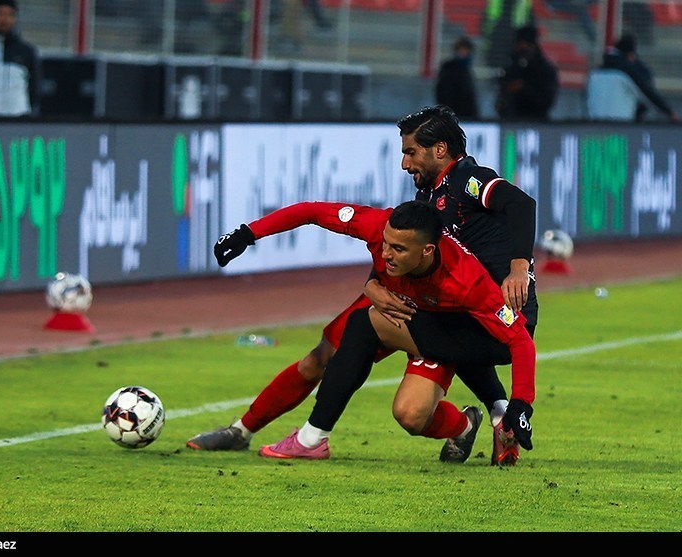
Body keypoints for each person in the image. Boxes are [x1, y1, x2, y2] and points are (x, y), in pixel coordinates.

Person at [188, 105, 539, 466]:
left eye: (410, 152)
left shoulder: (467, 180)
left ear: (440, 149)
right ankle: (242, 431)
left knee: (406, 388)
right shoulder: (422, 201)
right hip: (424, 299)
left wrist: (518, 266)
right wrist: (372, 284)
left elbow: (521, 204)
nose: (404, 164)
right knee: (321, 357)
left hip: (474, 308)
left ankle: (496, 415)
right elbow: (381, 243)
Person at [215, 200, 536, 461]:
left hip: (441, 330)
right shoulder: (375, 224)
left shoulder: (467, 281)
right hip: (401, 311)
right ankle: (464, 426)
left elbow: (520, 340)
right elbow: (311, 212)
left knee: (409, 414)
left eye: (398, 249)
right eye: (385, 243)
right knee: (325, 353)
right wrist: (249, 233)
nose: (385, 254)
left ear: (427, 251)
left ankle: (310, 439)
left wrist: (521, 404)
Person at [587, 33, 679, 122]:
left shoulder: (594, 74)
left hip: (594, 126)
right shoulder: (627, 72)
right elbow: (648, 94)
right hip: (621, 126)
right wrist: (669, 112)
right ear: (630, 55)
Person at [495, 24, 559, 122]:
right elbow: (502, 94)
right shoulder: (511, 66)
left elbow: (546, 100)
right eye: (519, 45)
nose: (521, 48)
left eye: (524, 45)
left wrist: (523, 89)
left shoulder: (544, 69)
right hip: (510, 120)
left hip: (536, 121)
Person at [435, 36, 480, 120]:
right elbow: (444, 95)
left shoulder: (466, 70)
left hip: (466, 116)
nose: (465, 53)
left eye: (467, 51)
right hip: (455, 116)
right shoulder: (449, 70)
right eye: (462, 50)